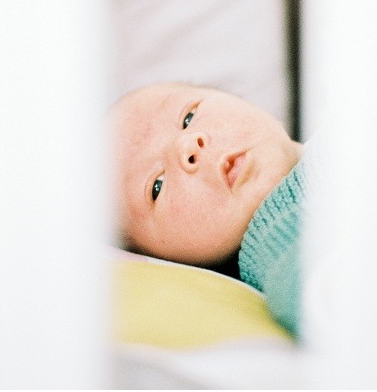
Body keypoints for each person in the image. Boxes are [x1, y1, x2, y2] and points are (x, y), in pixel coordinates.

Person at [112, 82, 310, 335]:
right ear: (167, 260)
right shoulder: (283, 248)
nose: (187, 145)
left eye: (188, 117)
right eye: (156, 187)